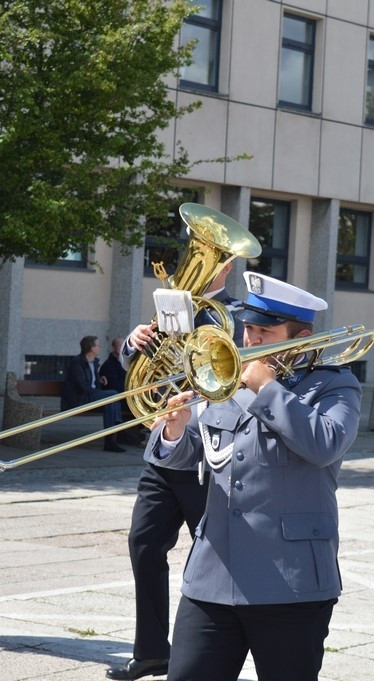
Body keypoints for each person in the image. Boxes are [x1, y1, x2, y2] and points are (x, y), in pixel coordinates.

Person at [141, 272, 361, 681]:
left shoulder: (334, 385)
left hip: (290, 582)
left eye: (264, 330)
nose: (251, 339)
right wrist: (172, 430)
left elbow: (325, 444)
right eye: (248, 328)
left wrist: (269, 390)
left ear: (301, 334)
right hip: (213, 574)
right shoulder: (224, 379)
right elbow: (192, 454)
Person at [106, 261, 243, 680]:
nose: (200, 264)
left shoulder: (234, 314)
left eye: (215, 259)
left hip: (209, 455)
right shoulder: (173, 308)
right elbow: (135, 363)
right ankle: (151, 651)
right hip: (165, 449)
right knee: (143, 545)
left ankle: (210, 655)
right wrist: (135, 340)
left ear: (229, 267)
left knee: (216, 558)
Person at [61, 335, 126, 452]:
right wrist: (98, 392)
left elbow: (91, 383)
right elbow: (82, 387)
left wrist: (99, 379)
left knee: (110, 403)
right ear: (91, 348)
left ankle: (110, 442)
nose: (100, 347)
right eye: (97, 345)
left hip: (90, 397)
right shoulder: (77, 363)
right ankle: (117, 428)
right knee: (113, 394)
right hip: (78, 399)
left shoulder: (94, 363)